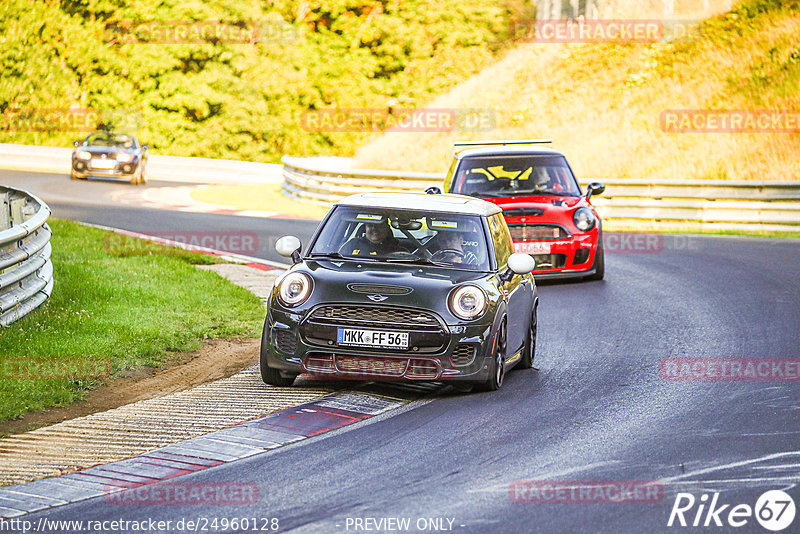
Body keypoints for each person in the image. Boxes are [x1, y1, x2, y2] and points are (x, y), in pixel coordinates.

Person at [340, 219, 405, 257]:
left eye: (379, 225)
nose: (374, 229)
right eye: (370, 226)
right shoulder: (352, 245)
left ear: (387, 228)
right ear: (364, 229)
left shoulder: (398, 249)